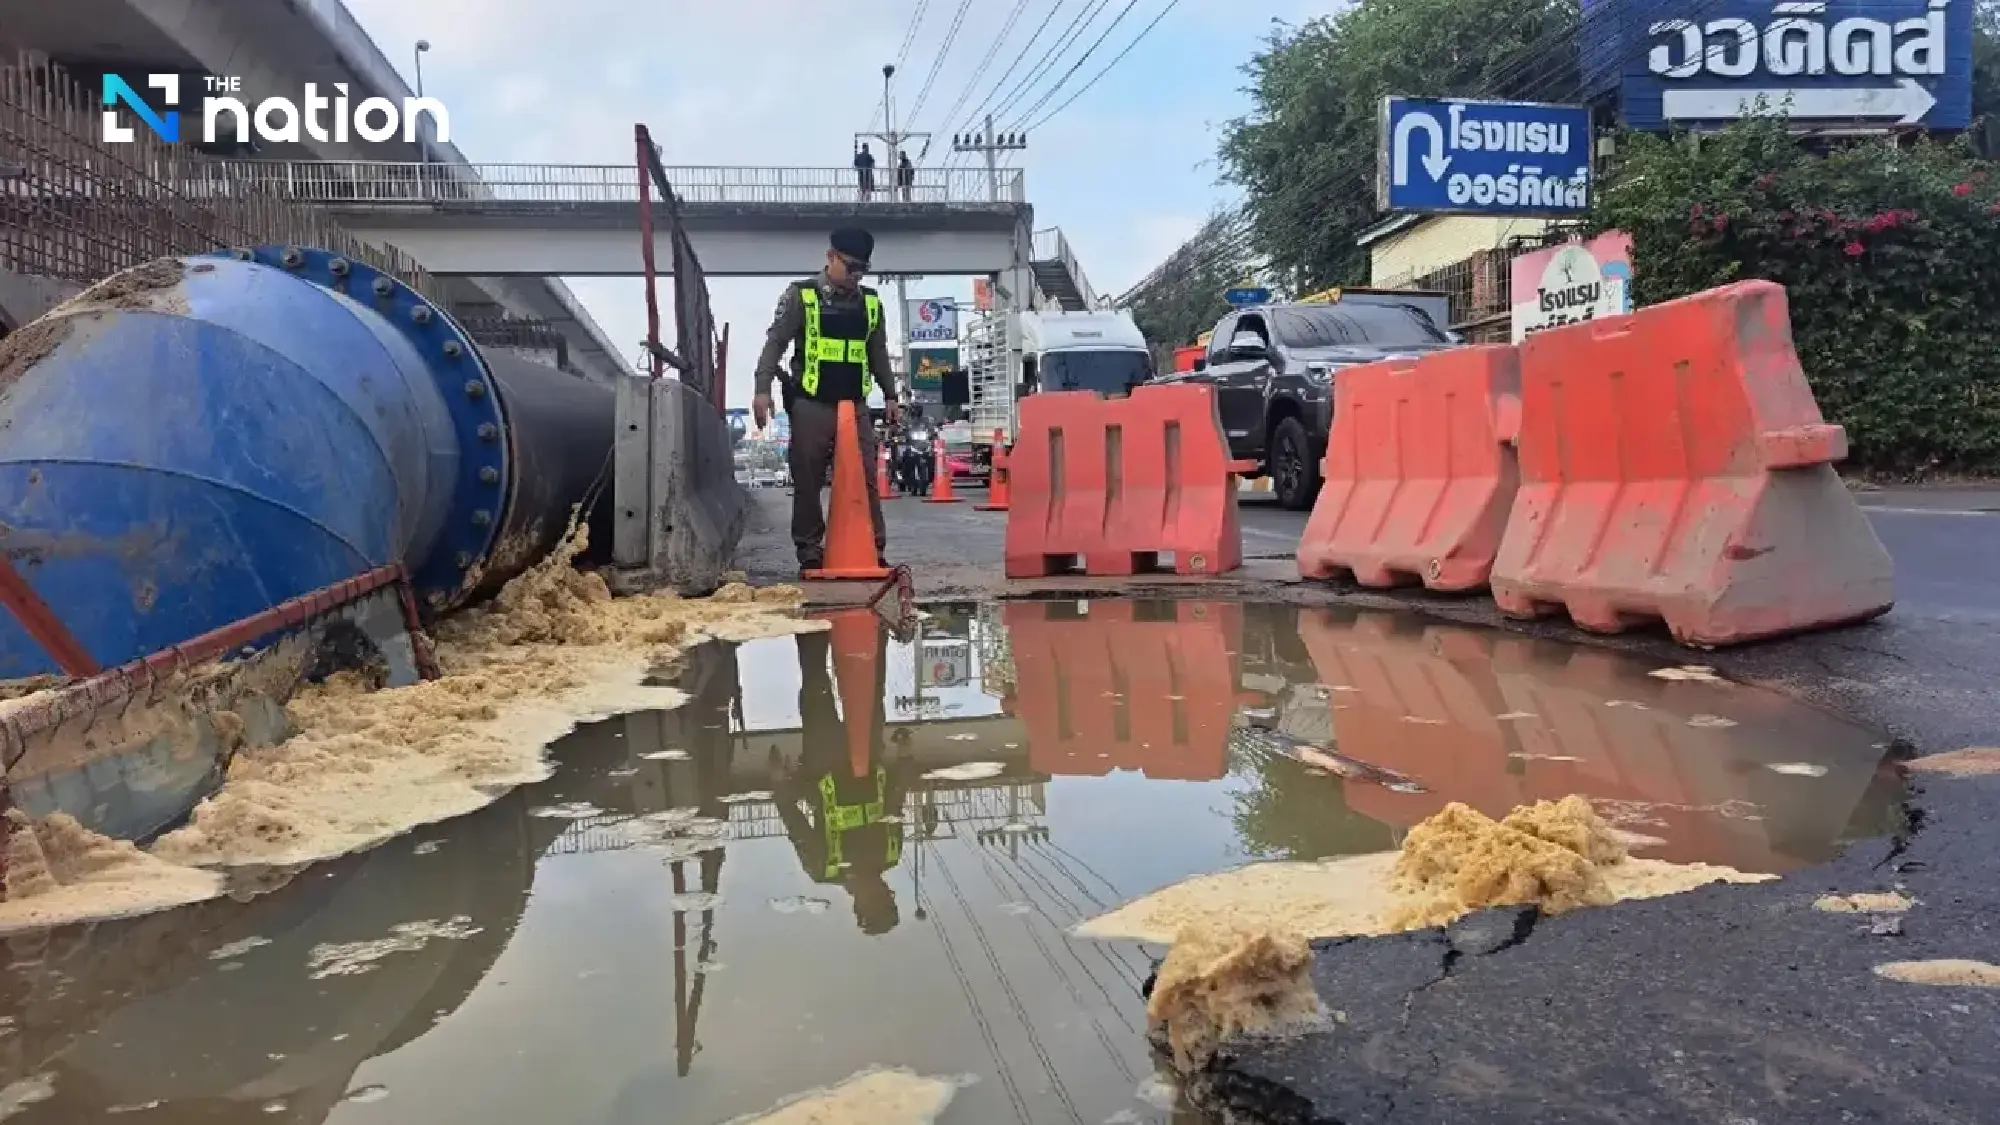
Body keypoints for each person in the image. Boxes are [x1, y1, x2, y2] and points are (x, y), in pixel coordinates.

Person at [753, 227, 899, 575]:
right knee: (807, 480)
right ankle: (810, 551)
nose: (857, 275)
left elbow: (878, 352)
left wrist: (891, 395)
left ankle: (872, 548)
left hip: (855, 406)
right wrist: (762, 389)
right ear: (831, 257)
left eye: (863, 269)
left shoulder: (870, 303)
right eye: (851, 267)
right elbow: (775, 342)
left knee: (866, 478)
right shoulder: (801, 296)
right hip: (811, 404)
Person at [773, 625, 911, 936]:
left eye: (877, 900)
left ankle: (813, 624)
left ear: (858, 905)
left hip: (823, 761)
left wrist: (781, 782)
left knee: (816, 687)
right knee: (870, 689)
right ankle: (871, 628)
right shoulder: (890, 855)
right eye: (888, 897)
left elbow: (794, 821)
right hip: (869, 752)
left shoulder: (824, 868)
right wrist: (905, 758)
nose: (883, 891)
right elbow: (895, 801)